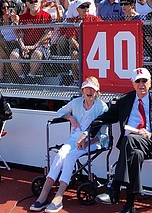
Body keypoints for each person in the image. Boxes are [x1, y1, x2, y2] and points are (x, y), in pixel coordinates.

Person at [86, 68, 152, 213]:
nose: (141, 84)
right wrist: (87, 132)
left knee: (128, 141)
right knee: (134, 153)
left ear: (150, 82)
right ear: (133, 84)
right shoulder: (125, 101)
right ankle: (129, 206)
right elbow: (106, 117)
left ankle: (114, 189)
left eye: (144, 81)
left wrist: (150, 134)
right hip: (133, 146)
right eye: (137, 81)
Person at [30, 77, 109, 213]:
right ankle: (44, 193)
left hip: (94, 141)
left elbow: (104, 136)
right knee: (61, 153)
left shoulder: (102, 107)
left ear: (97, 92)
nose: (89, 91)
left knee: (71, 156)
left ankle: (59, 195)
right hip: (74, 139)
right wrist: (70, 117)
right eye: (86, 89)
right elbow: (60, 112)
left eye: (92, 89)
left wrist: (88, 141)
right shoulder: (76, 102)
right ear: (82, 90)